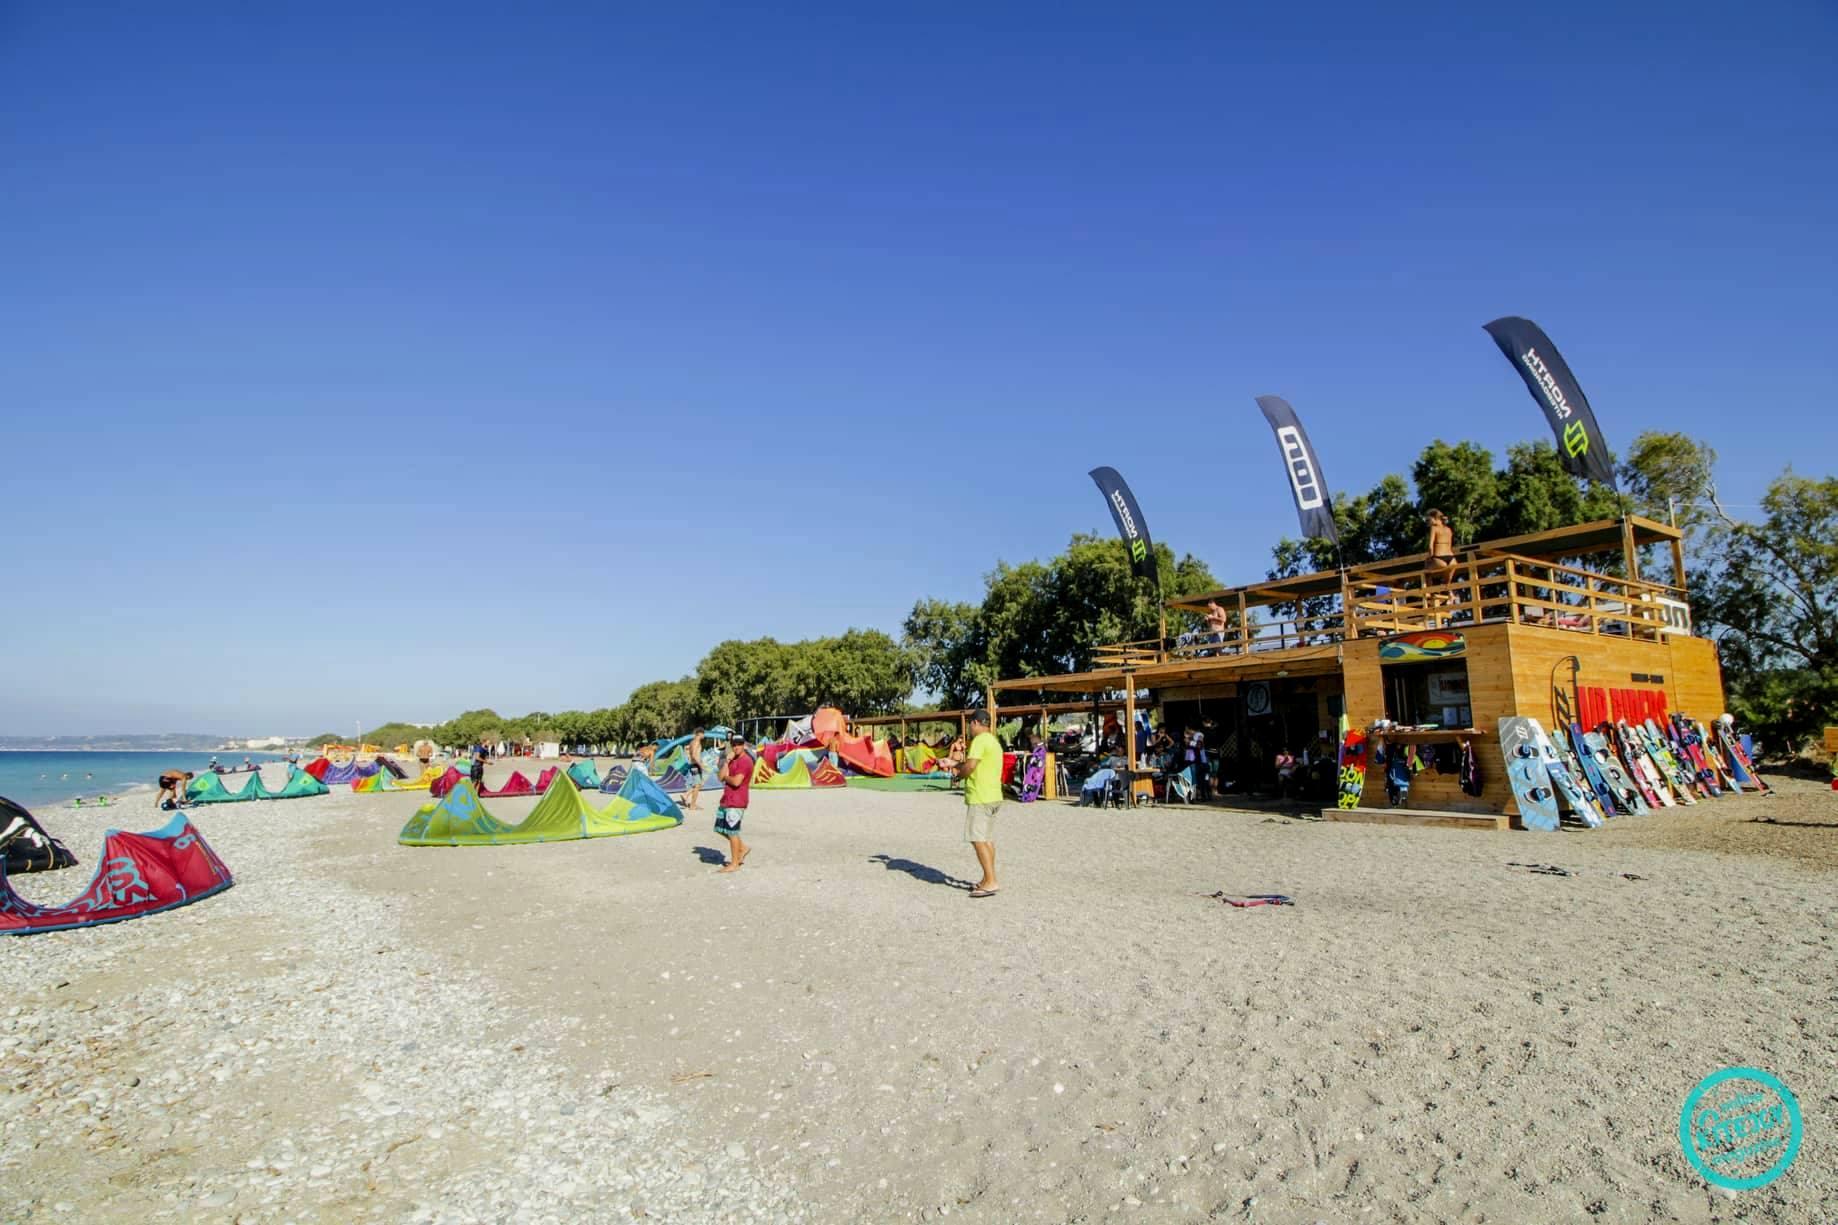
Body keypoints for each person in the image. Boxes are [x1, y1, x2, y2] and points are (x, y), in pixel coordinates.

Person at [945, 710, 1004, 898]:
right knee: (986, 839)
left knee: (977, 838)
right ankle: (988, 878)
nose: (969, 728)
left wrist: (957, 777)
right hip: (993, 795)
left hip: (980, 796)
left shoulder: (979, 740)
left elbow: (970, 766)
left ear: (976, 723)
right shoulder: (993, 741)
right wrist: (953, 764)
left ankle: (991, 881)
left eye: (970, 724)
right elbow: (976, 764)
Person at [714, 732, 755, 873]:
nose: (736, 747)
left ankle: (734, 863)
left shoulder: (746, 761)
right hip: (727, 798)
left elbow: (737, 782)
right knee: (720, 828)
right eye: (734, 745)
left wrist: (726, 778)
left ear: (743, 745)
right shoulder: (732, 759)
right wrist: (726, 762)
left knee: (732, 832)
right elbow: (720, 777)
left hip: (737, 800)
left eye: (739, 744)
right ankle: (743, 848)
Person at [1426, 509, 1456, 608]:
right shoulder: (1448, 529)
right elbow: (1450, 546)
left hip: (1439, 558)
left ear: (1435, 518)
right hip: (1452, 559)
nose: (1428, 522)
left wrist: (1430, 558)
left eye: (1429, 519)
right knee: (1447, 581)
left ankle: (1432, 597)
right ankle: (1450, 595)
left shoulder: (1434, 528)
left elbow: (1430, 546)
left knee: (1426, 574)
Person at [682, 728, 707, 810]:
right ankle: (692, 804)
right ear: (700, 733)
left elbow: (688, 750)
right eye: (703, 734)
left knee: (698, 785)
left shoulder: (692, 742)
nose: (704, 735)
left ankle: (687, 796)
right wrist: (701, 765)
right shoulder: (696, 742)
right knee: (697, 785)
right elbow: (694, 755)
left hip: (693, 765)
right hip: (696, 765)